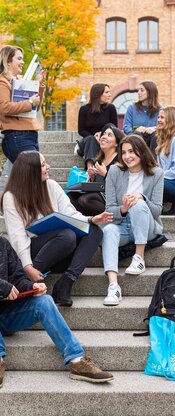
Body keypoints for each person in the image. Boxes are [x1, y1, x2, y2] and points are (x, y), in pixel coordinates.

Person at [1, 151, 113, 307]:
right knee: (66, 235)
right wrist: (28, 267)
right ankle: (28, 282)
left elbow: (70, 213)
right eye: (43, 165)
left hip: (60, 250)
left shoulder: (51, 186)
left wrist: (91, 219)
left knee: (94, 230)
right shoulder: (11, 197)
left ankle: (66, 282)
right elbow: (17, 237)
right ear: (29, 170)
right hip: (34, 254)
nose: (48, 167)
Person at [0, 236, 113, 388]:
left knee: (45, 301)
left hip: (8, 316)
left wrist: (31, 287)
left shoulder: (2, 243)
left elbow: (18, 278)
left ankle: (77, 360)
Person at [101, 134, 164, 306]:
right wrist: (123, 208)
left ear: (142, 152)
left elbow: (158, 210)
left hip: (147, 226)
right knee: (108, 230)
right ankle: (113, 286)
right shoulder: (114, 171)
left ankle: (139, 258)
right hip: (123, 225)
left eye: (131, 151)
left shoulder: (156, 173)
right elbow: (109, 209)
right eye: (124, 152)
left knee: (138, 202)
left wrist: (141, 198)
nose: (127, 156)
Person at [0, 45, 46, 163]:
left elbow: (35, 108)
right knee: (35, 174)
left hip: (29, 135)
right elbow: (4, 108)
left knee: (31, 177)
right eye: (19, 58)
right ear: (8, 61)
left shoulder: (20, 82)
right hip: (17, 136)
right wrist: (29, 102)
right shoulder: (2, 82)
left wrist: (39, 86)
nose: (23, 62)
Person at [69, 123, 125, 216]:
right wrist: (92, 177)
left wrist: (106, 174)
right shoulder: (99, 159)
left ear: (116, 143)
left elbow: (121, 186)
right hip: (97, 194)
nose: (104, 137)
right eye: (104, 134)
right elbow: (96, 184)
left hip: (111, 198)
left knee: (85, 200)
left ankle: (112, 216)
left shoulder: (120, 160)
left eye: (109, 135)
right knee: (70, 197)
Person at [76, 83, 118, 161]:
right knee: (91, 139)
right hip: (88, 141)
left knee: (109, 125)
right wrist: (94, 136)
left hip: (105, 140)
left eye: (109, 92)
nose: (110, 94)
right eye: (107, 92)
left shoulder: (111, 108)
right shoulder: (84, 109)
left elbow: (114, 128)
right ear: (98, 94)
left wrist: (101, 135)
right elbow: (81, 130)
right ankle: (90, 168)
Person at [123, 81, 161, 153]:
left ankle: (154, 162)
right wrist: (136, 129)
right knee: (137, 135)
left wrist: (154, 128)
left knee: (156, 135)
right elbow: (126, 128)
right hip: (136, 140)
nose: (138, 92)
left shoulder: (160, 109)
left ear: (150, 92)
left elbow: (165, 126)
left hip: (153, 140)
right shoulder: (132, 108)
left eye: (142, 90)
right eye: (138, 90)